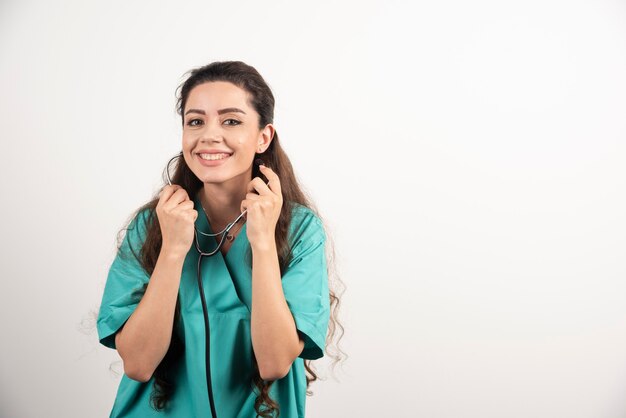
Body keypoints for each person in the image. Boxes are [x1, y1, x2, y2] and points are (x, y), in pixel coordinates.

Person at [96, 61, 344, 418]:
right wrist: (173, 250)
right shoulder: (152, 224)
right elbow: (137, 364)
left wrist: (262, 242)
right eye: (195, 121)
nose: (209, 135)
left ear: (263, 137)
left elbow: (274, 363)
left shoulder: (299, 229)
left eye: (231, 120)